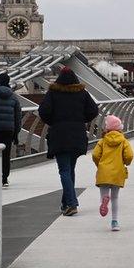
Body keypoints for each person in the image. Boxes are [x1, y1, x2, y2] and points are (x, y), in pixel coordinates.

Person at [39, 66, 99, 216]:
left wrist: (53, 121)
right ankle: (66, 203)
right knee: (70, 169)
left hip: (59, 135)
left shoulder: (53, 92)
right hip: (77, 135)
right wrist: (81, 120)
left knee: (64, 170)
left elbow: (43, 111)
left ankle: (72, 203)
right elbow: (93, 111)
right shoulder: (82, 93)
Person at [91, 115, 133, 232]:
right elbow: (129, 155)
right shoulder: (123, 141)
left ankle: (104, 199)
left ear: (107, 128)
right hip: (117, 172)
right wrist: (126, 162)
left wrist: (99, 164)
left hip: (104, 172)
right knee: (115, 198)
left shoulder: (102, 141)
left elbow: (95, 155)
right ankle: (115, 222)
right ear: (120, 128)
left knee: (105, 195)